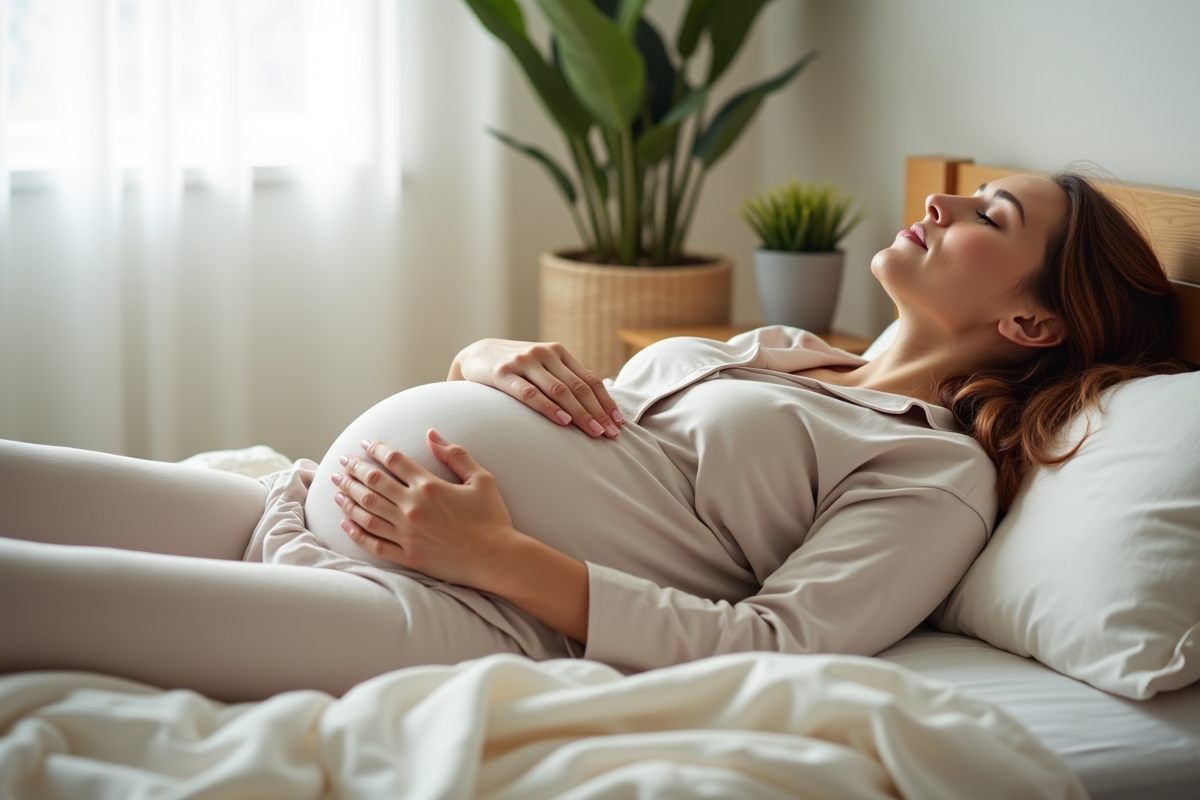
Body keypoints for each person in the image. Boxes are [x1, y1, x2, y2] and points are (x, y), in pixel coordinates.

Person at [0, 172, 1186, 702]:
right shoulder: (782, 345)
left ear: (1031, 318)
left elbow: (777, 641)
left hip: (445, 610)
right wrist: (481, 360)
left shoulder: (934, 470)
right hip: (313, 502)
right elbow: (594, 423)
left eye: (991, 214)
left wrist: (495, 559)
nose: (940, 202)